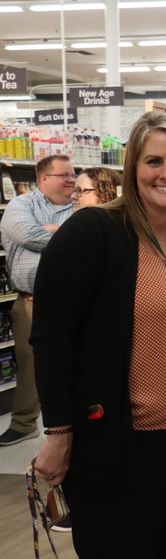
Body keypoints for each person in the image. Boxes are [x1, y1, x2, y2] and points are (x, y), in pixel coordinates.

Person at [30, 113, 166, 559]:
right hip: (123, 446)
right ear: (133, 167)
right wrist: (58, 431)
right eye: (153, 160)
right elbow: (53, 337)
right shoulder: (95, 231)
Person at [0, 155, 74, 447]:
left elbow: (86, 239)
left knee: (77, 363)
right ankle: (23, 422)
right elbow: (23, 233)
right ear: (44, 179)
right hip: (32, 300)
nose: (71, 180)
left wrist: (51, 232)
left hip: (74, 300)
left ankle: (75, 424)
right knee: (30, 364)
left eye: (73, 174)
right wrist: (65, 236)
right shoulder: (21, 204)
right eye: (64, 175)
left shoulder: (80, 207)